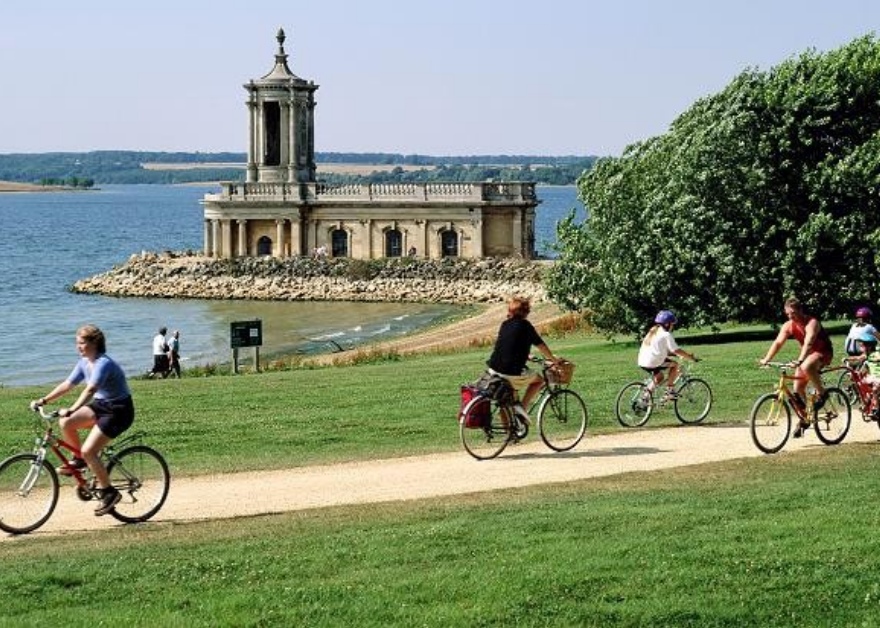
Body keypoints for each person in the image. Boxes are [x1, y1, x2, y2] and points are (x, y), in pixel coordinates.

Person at [30, 325, 134, 516]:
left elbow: (91, 390)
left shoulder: (104, 363)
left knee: (89, 450)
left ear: (94, 343)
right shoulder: (84, 362)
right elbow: (68, 384)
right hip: (102, 405)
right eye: (77, 343)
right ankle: (79, 460)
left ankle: (109, 492)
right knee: (66, 423)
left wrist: (72, 408)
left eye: (82, 343)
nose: (78, 347)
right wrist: (43, 400)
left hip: (119, 411)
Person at [759, 297, 833, 437]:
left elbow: (808, 342)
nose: (791, 316)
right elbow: (778, 342)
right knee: (797, 390)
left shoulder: (812, 323)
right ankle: (805, 418)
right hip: (807, 355)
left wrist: (800, 359)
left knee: (806, 366)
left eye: (793, 313)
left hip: (823, 353)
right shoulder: (789, 325)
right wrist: (766, 359)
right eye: (788, 314)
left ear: (800, 310)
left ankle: (823, 393)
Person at [486, 296, 559, 423]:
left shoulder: (505, 324)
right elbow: (540, 345)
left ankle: (510, 434)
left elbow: (509, 346)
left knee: (505, 399)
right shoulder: (525, 326)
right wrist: (553, 360)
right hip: (510, 372)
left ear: (510, 311)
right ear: (525, 312)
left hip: (493, 369)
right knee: (538, 380)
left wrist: (526, 356)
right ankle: (523, 408)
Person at [637, 310, 699, 399]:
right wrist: (690, 357)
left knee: (659, 377)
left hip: (642, 360)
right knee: (675, 365)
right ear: (667, 324)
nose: (672, 326)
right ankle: (670, 391)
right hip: (653, 362)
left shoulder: (653, 331)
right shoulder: (666, 335)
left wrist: (676, 355)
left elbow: (662, 349)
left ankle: (645, 398)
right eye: (672, 324)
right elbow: (676, 350)